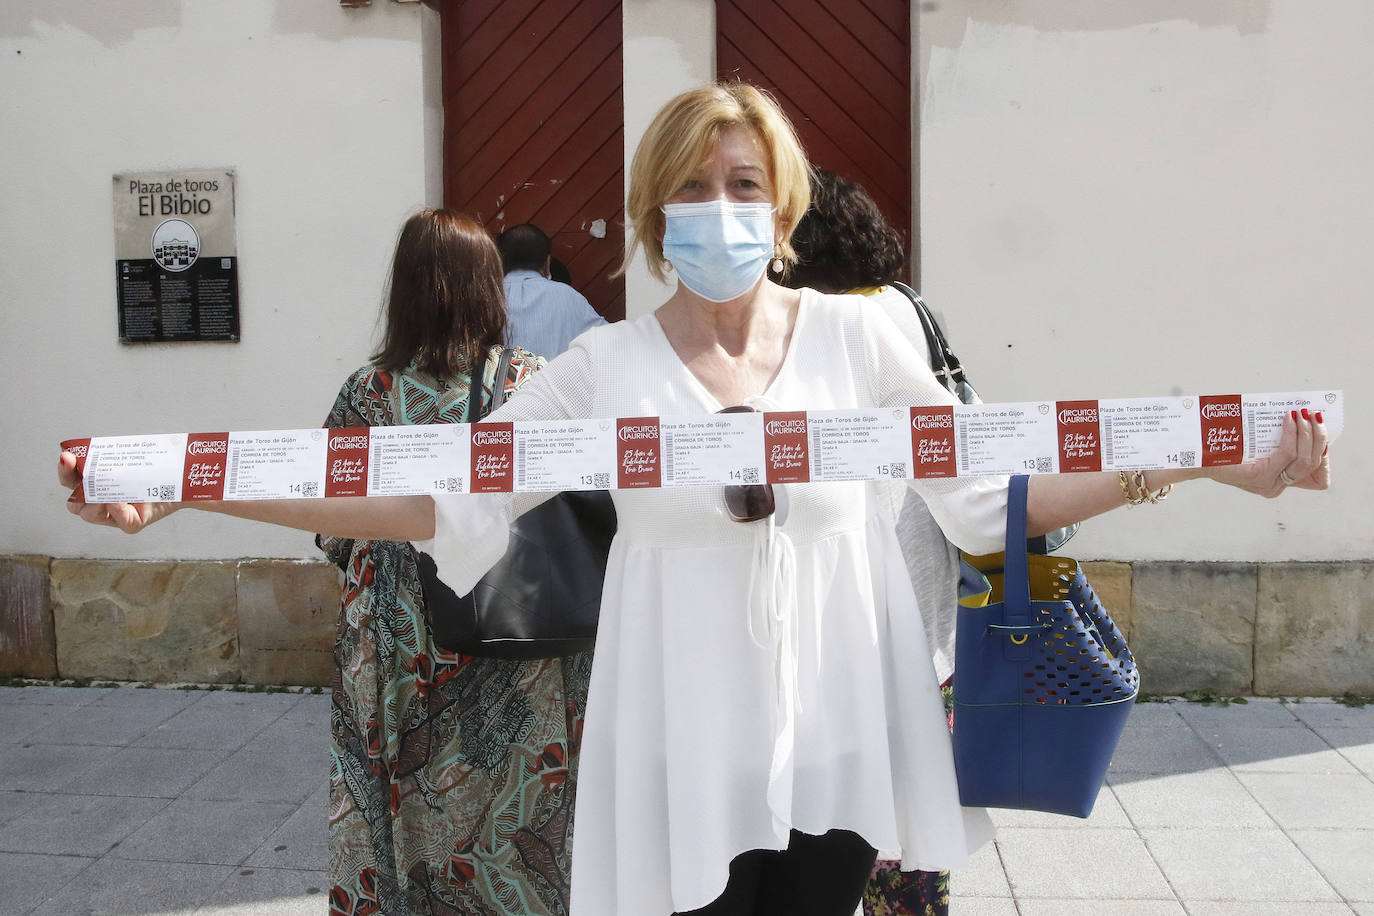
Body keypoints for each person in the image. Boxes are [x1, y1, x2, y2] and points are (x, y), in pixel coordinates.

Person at [59, 83, 1330, 916]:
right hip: (675, 749)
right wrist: (182, 487)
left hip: (838, 736)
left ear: (779, 203)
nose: (719, 208)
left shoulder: (863, 339)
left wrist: (1209, 457)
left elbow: (988, 501)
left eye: (743, 182)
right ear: (653, 209)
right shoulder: (602, 370)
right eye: (694, 184)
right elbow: (428, 499)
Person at [325, 209, 592, 915]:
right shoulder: (531, 379)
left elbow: (330, 526)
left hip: (398, 632)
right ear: (488, 287)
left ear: (407, 288)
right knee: (521, 797)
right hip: (517, 617)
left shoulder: (369, 392)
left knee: (404, 794)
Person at [785, 167, 960, 916]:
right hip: (921, 596)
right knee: (903, 849)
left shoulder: (849, 325)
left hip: (875, 604)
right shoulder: (906, 308)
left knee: (874, 834)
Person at [497, 223, 606, 358]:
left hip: (494, 380)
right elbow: (606, 342)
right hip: (559, 379)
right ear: (548, 262)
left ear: (498, 262)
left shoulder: (486, 297)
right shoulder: (568, 297)